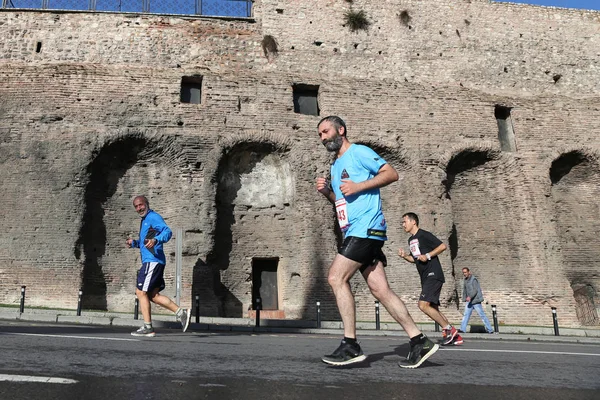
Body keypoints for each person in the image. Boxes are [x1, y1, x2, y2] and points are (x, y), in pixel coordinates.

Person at [316, 116, 439, 369]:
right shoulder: (336, 165)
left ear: (341, 130)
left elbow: (391, 174)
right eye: (320, 135)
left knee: (336, 278)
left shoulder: (359, 152)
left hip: (366, 229)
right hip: (354, 229)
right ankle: (419, 341)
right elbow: (343, 203)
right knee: (381, 290)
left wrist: (360, 185)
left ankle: (350, 344)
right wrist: (328, 192)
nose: (323, 137)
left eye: (326, 131)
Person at [126, 195, 191, 337]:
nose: (139, 208)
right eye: (136, 206)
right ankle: (181, 313)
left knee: (140, 292)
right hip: (155, 261)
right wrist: (135, 243)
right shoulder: (144, 221)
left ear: (147, 204)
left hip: (152, 261)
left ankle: (148, 327)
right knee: (153, 295)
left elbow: (167, 232)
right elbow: (146, 243)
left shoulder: (152, 217)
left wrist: (156, 240)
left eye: (141, 205)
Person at [398, 213, 463, 346]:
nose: (403, 225)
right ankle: (456, 337)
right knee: (432, 307)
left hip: (434, 274)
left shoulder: (424, 234)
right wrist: (405, 256)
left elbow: (442, 246)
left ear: (413, 222)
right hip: (425, 277)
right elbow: (414, 259)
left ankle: (449, 330)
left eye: (405, 222)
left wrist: (428, 255)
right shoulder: (410, 241)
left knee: (423, 305)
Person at [460, 267, 494, 334]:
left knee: (482, 315)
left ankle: (490, 329)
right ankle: (462, 329)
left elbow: (475, 290)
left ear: (469, 272)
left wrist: (470, 296)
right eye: (463, 272)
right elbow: (465, 290)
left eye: (465, 272)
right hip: (469, 301)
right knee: (466, 315)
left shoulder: (474, 279)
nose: (464, 274)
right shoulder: (465, 280)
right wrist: (464, 298)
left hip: (476, 301)